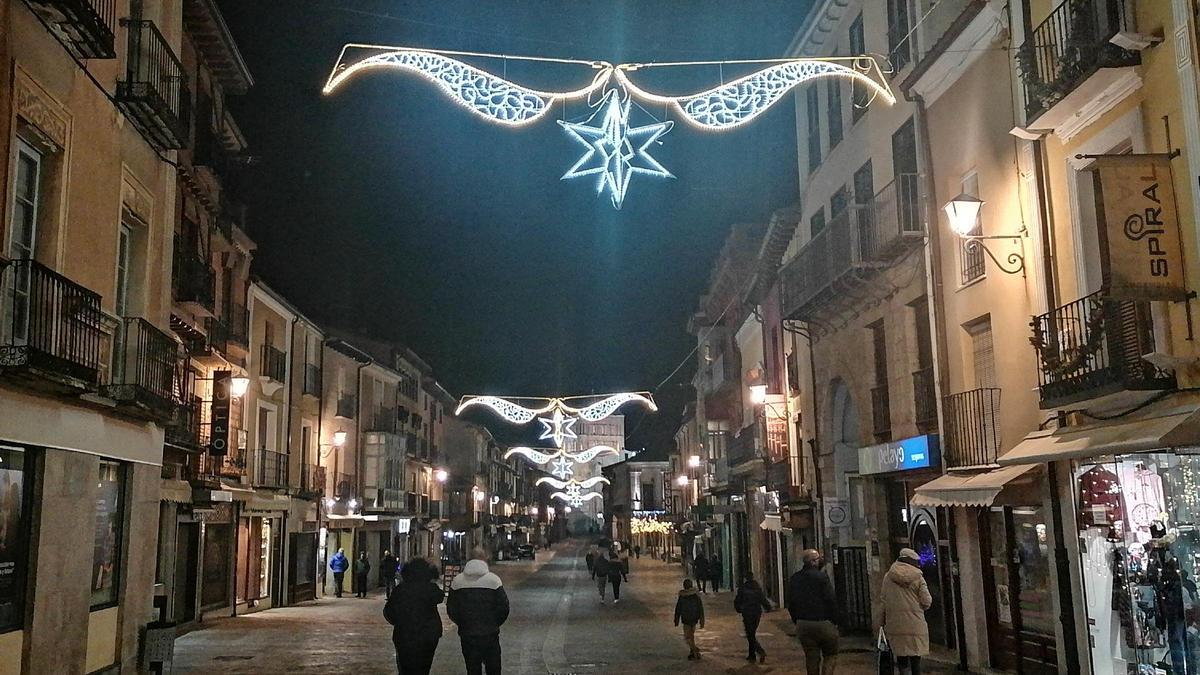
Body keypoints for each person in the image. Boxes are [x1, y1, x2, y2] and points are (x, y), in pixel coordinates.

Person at [447, 556, 510, 675]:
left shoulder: (458, 581)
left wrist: (462, 623)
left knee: (472, 668)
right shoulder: (494, 580)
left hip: (467, 634)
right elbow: (504, 607)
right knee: (493, 668)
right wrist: (494, 623)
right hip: (490, 634)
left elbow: (452, 608)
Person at [383, 558, 443, 674]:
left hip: (404, 633)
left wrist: (399, 622)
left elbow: (389, 611)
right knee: (424, 667)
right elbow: (439, 596)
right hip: (428, 635)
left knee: (405, 668)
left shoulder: (401, 589)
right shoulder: (430, 589)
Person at [880, 548, 932, 675]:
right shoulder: (918, 578)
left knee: (901, 658)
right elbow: (926, 601)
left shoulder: (888, 577)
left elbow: (883, 601)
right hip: (915, 624)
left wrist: (882, 623)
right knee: (915, 659)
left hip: (895, 625)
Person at [787, 549, 839, 675]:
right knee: (830, 655)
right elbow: (830, 599)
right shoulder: (822, 577)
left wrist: (797, 620)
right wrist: (835, 620)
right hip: (823, 622)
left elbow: (791, 603)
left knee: (811, 657)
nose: (820, 560)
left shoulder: (795, 578)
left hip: (803, 623)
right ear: (813, 562)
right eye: (818, 559)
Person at [735, 572, 772, 663]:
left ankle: (760, 651)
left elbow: (738, 600)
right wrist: (767, 607)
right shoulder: (757, 587)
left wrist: (739, 609)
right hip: (756, 613)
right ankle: (752, 655)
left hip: (747, 613)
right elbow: (762, 599)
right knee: (751, 633)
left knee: (750, 635)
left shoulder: (743, 588)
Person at [673, 578, 705, 660]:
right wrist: (702, 620)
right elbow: (700, 608)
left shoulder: (682, 597)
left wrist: (676, 620)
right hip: (694, 619)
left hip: (686, 619)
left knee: (687, 637)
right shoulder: (696, 596)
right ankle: (693, 652)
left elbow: (678, 609)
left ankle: (694, 650)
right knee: (691, 636)